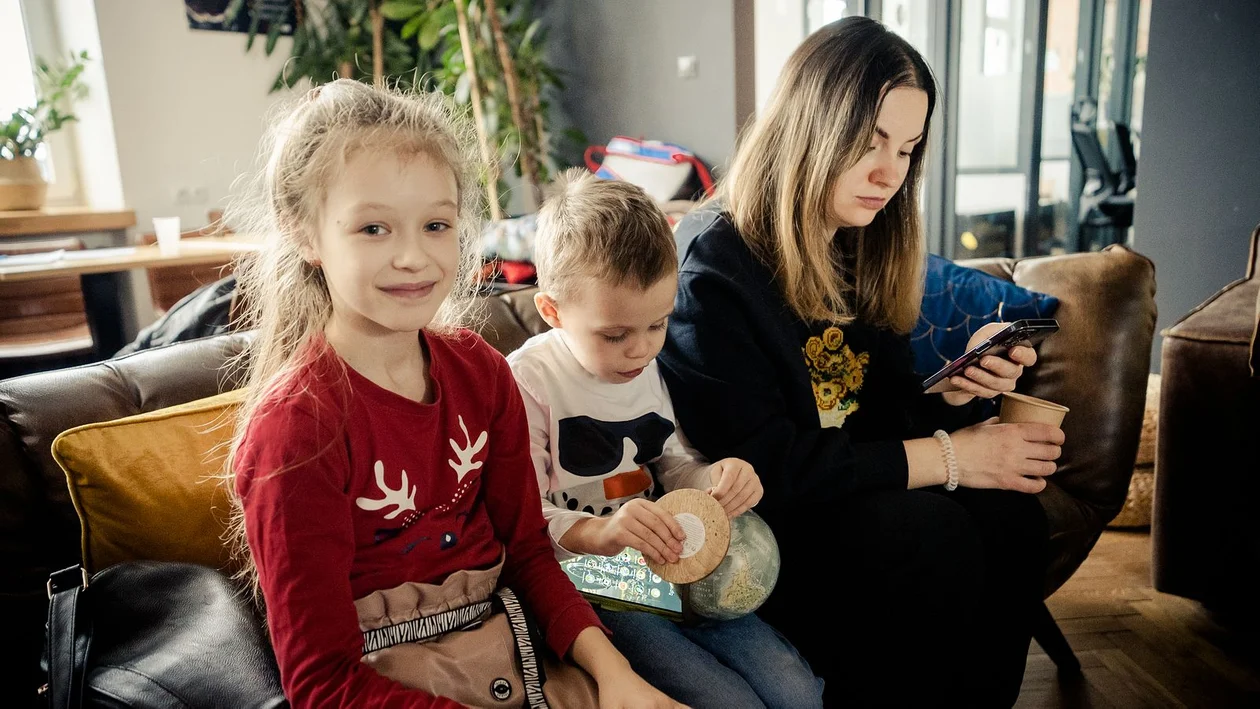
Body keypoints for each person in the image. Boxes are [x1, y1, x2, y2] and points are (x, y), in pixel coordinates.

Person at [224, 79, 686, 709]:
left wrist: (615, 676)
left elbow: (528, 553)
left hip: (522, 649)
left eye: (435, 224)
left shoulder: (482, 373)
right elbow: (324, 685)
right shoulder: (294, 432)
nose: (414, 256)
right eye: (373, 229)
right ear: (304, 233)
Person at [658, 18, 1065, 708]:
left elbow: (882, 413)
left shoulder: (855, 238)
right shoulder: (714, 262)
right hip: (760, 523)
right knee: (928, 536)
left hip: (845, 493)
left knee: (1013, 519)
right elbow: (766, 465)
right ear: (810, 125)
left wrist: (960, 394)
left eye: (907, 150)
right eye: (870, 141)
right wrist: (953, 457)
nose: (889, 173)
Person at [507, 169, 824, 709]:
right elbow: (522, 519)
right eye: (616, 334)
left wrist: (714, 478)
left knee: (796, 692)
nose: (642, 349)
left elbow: (674, 459)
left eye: (658, 324)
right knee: (726, 701)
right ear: (553, 311)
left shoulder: (647, 368)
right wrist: (603, 535)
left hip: (676, 568)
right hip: (597, 583)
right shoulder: (528, 381)